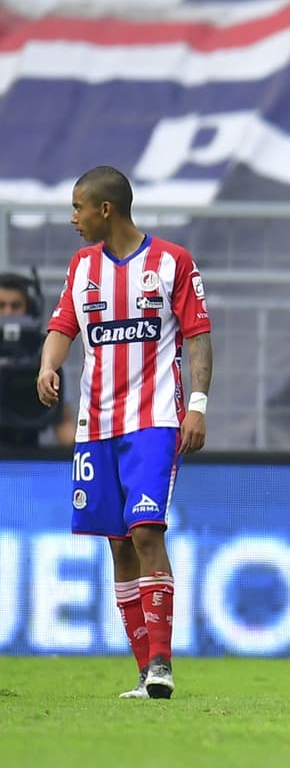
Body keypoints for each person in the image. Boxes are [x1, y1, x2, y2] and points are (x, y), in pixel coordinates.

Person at [36, 166, 213, 700]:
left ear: (104, 209)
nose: (73, 219)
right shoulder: (82, 266)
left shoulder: (171, 262)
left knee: (146, 532)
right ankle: (144, 673)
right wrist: (49, 366)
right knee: (118, 544)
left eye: (77, 207)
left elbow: (199, 335)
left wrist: (198, 405)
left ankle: (162, 663)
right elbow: (63, 325)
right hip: (96, 426)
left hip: (155, 419)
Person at [0, 272, 76, 448]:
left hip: (30, 457)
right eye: (1, 306)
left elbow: (63, 422)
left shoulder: (46, 355)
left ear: (29, 308)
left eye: (15, 306)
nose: (8, 313)